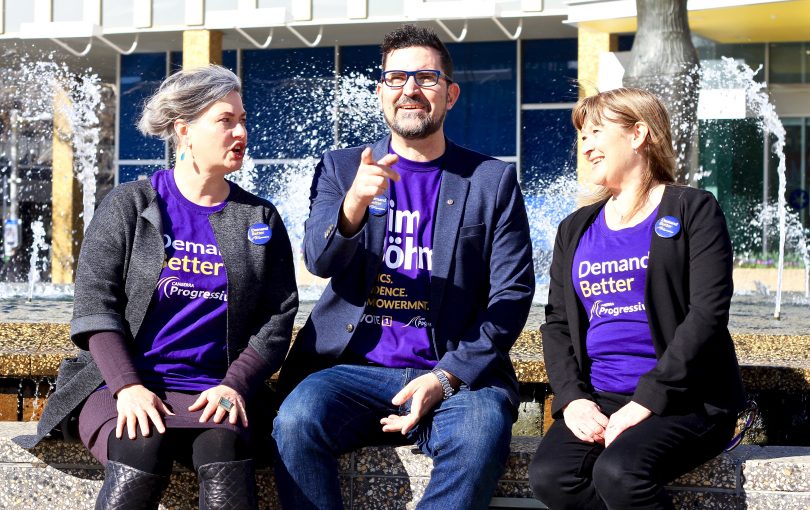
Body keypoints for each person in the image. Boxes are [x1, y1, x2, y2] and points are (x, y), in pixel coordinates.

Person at [271, 24, 535, 510]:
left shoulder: (491, 181)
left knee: (482, 432)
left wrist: (446, 377)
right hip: (352, 370)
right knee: (295, 421)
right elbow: (319, 261)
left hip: (453, 372)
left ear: (450, 94)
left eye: (426, 78)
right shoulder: (342, 167)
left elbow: (512, 296)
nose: (410, 88)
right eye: (396, 78)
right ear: (381, 93)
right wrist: (354, 204)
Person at [16, 65, 298, 510]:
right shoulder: (130, 204)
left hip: (213, 390)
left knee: (226, 451)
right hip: (119, 385)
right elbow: (95, 305)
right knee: (140, 446)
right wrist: (128, 386)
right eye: (226, 120)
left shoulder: (258, 217)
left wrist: (234, 385)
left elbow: (277, 318)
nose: (241, 131)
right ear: (184, 131)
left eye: (242, 120)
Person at [528, 87, 746, 510]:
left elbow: (707, 313)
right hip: (603, 394)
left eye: (595, 131)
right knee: (553, 477)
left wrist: (647, 400)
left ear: (638, 134)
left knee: (620, 471)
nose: (585, 145)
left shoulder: (692, 209)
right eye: (581, 135)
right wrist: (572, 398)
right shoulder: (574, 229)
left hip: (685, 398)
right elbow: (556, 323)